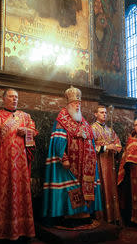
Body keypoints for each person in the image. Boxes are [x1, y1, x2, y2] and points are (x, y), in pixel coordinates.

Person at [0, 88, 38, 242]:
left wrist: (27, 131)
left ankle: (22, 233)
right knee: (1, 195)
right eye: (10, 96)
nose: (14, 99)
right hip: (2, 164)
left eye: (16, 97)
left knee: (21, 194)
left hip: (22, 165)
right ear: (3, 99)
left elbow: (34, 132)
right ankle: (0, 235)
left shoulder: (25, 116)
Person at [43, 86, 103, 227]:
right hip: (68, 165)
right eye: (75, 103)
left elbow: (91, 140)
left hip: (85, 165)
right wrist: (63, 158)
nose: (77, 106)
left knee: (84, 188)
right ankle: (70, 216)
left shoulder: (85, 123)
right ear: (68, 104)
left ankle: (84, 214)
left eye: (79, 103)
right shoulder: (62, 120)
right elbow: (58, 141)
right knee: (70, 189)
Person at [91, 105, 122, 224]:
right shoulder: (92, 129)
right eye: (101, 112)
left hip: (110, 163)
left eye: (105, 113)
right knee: (101, 188)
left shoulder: (110, 130)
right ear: (95, 114)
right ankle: (102, 216)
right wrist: (105, 147)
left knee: (111, 187)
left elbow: (118, 143)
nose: (104, 114)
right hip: (99, 163)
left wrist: (116, 148)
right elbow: (90, 147)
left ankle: (113, 216)